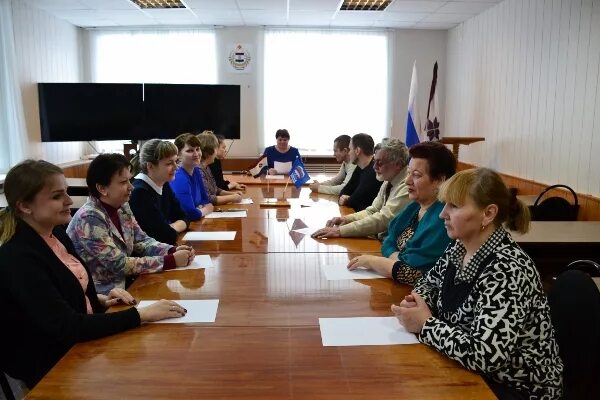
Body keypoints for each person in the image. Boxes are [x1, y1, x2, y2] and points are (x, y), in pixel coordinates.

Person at [0, 160, 187, 389]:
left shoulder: (55, 233)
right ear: (25, 206)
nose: (69, 201)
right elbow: (67, 326)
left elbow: (62, 292)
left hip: (79, 343)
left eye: (67, 193)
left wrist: (99, 299)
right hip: (53, 364)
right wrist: (141, 315)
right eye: (57, 196)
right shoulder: (18, 257)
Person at [393, 168, 563, 399]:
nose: (443, 214)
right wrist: (417, 302)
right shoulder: (459, 246)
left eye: (454, 206)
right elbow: (427, 285)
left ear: (488, 214)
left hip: (516, 388)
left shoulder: (507, 270)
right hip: (466, 369)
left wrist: (425, 324)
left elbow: (484, 356)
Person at [67, 153, 195, 295]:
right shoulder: (89, 218)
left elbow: (141, 240)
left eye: (129, 180)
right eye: (123, 182)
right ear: (102, 188)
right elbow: (119, 264)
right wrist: (170, 261)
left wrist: (171, 250)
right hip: (105, 297)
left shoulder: (122, 206)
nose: (131, 187)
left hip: (127, 285)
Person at [346, 141, 456, 284]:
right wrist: (398, 259)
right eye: (409, 173)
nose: (407, 180)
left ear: (439, 180)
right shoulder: (414, 207)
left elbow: (411, 272)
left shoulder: (444, 219)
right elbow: (388, 240)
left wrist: (373, 261)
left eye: (416, 175)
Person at [312, 137, 407, 238]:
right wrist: (346, 219)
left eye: (380, 162)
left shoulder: (407, 186)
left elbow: (383, 219)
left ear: (398, 164)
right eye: (374, 161)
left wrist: (340, 231)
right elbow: (372, 211)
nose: (374, 167)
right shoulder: (388, 179)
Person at [129, 139, 190, 245]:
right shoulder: (140, 192)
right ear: (150, 166)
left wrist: (170, 228)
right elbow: (165, 236)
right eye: (169, 163)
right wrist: (171, 229)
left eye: (176, 161)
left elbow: (185, 217)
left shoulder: (163, 183)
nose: (176, 167)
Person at [170, 133, 214, 220]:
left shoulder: (196, 170)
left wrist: (199, 209)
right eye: (190, 151)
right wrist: (204, 210)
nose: (196, 154)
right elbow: (189, 213)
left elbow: (205, 200)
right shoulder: (178, 177)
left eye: (197, 149)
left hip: (197, 223)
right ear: (178, 155)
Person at [336, 133, 382, 212]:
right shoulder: (359, 167)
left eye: (350, 149)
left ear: (357, 151)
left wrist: (348, 199)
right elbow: (345, 190)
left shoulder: (374, 171)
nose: (349, 153)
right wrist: (346, 198)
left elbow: (354, 200)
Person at [196, 131, 243, 205]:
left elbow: (216, 189)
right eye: (215, 148)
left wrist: (231, 194)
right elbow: (208, 199)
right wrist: (232, 197)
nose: (216, 152)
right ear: (209, 151)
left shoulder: (206, 167)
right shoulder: (198, 170)